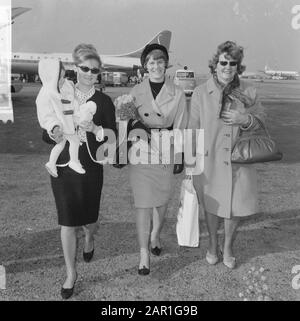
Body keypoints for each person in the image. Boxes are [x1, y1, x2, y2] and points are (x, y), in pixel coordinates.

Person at [39, 44, 116, 299]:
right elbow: (46, 129)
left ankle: (90, 237)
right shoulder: (59, 91)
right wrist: (53, 132)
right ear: (75, 67)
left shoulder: (104, 101)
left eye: (94, 70)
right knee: (67, 221)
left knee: (89, 221)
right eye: (84, 68)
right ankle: (71, 273)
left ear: (99, 73)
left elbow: (112, 138)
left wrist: (95, 129)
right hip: (63, 167)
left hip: (92, 167)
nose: (89, 73)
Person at [188, 41, 265, 269]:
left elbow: (262, 119)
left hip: (239, 160)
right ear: (215, 64)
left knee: (236, 206)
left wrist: (246, 119)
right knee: (212, 205)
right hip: (210, 160)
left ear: (238, 66)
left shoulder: (249, 90)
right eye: (223, 62)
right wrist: (190, 162)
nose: (228, 67)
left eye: (233, 63)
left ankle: (229, 245)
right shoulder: (201, 92)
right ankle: (212, 244)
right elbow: (193, 128)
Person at [127, 43, 188, 275]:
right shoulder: (135, 92)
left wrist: (180, 154)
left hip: (166, 148)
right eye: (151, 62)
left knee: (161, 201)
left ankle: (155, 234)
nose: (155, 66)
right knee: (142, 204)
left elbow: (181, 125)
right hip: (141, 150)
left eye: (160, 60)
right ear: (145, 66)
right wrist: (133, 125)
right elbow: (126, 121)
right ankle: (144, 253)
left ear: (166, 64)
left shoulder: (178, 93)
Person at [37, 59, 98, 177]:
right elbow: (46, 116)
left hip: (68, 123)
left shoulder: (66, 86)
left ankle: (52, 163)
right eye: (59, 77)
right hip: (61, 126)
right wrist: (54, 127)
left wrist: (77, 114)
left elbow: (72, 101)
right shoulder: (45, 95)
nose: (62, 80)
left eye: (63, 77)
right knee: (73, 141)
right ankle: (73, 161)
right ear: (49, 77)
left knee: (62, 144)